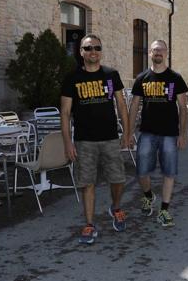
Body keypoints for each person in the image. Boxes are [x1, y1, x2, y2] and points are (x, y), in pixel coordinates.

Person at [60, 34, 130, 245]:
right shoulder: (72, 78)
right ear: (81, 51)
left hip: (110, 138)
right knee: (87, 183)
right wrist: (67, 142)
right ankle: (89, 224)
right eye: (88, 48)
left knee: (118, 179)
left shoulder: (111, 75)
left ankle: (115, 208)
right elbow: (65, 113)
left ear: (101, 51)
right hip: (84, 141)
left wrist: (127, 133)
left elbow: (121, 105)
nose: (93, 52)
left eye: (96, 48)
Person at [129, 40, 188, 227]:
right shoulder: (142, 78)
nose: (158, 53)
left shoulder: (175, 78)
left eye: (161, 50)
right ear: (150, 53)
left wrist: (182, 134)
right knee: (141, 171)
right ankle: (148, 195)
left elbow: (183, 107)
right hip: (147, 132)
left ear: (167, 53)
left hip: (170, 133)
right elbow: (134, 107)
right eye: (155, 50)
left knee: (169, 172)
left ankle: (164, 210)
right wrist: (129, 133)